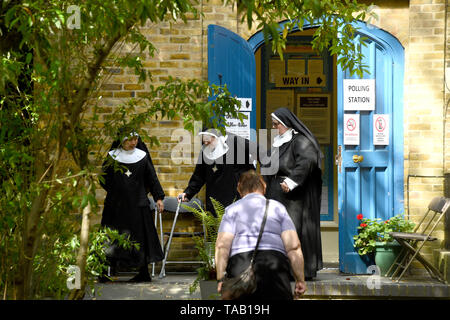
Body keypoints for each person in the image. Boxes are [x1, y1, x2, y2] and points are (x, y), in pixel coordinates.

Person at [215, 170, 307, 300]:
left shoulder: (232, 210)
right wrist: (300, 280)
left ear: (239, 189)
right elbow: (294, 247)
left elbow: (221, 246)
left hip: (240, 266)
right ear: (264, 187)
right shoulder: (277, 208)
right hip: (274, 268)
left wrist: (221, 278)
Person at [263, 107, 323, 280]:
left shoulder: (300, 141)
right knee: (277, 231)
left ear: (286, 124)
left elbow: (307, 162)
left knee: (292, 232)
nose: (274, 128)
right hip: (275, 192)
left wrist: (291, 181)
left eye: (276, 124)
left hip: (292, 196)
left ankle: (298, 271)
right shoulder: (279, 141)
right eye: (273, 124)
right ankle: (281, 269)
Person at [99, 128, 165, 282]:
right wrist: (117, 192)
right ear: (122, 140)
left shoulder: (142, 156)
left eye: (136, 139)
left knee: (139, 238)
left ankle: (143, 273)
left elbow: (151, 177)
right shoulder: (112, 157)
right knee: (111, 237)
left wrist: (158, 197)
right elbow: (103, 178)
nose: (133, 142)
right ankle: (104, 272)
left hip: (138, 205)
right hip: (116, 205)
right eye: (130, 139)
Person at [179, 128, 258, 216]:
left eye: (207, 140)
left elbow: (250, 171)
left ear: (215, 137)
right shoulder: (205, 152)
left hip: (234, 197)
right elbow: (199, 176)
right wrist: (188, 193)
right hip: (214, 200)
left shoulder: (234, 145)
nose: (205, 143)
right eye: (203, 140)